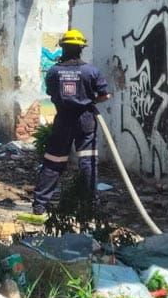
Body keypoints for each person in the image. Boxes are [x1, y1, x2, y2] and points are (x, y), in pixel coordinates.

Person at [32, 29, 111, 216]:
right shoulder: (91, 71)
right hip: (86, 119)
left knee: (53, 162)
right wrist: (89, 100)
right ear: (81, 48)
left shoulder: (53, 72)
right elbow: (104, 95)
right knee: (88, 161)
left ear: (63, 48)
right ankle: (89, 204)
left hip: (63, 119)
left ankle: (40, 205)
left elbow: (52, 94)